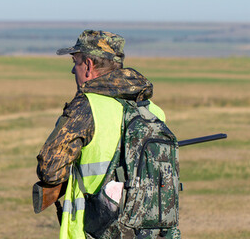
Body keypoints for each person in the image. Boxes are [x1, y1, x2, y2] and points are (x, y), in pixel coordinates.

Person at [36, 30, 174, 239]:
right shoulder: (154, 111)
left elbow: (49, 170)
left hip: (97, 230)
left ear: (89, 65)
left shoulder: (87, 107)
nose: (73, 70)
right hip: (150, 232)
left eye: (75, 62)